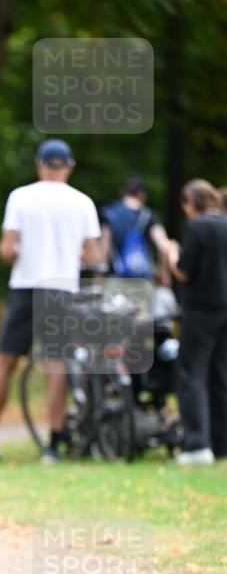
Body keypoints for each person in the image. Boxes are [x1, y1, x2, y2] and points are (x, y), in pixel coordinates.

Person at [0, 139, 103, 464]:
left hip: (26, 287)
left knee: (4, 362)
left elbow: (7, 248)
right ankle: (53, 445)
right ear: (70, 166)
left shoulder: (21, 197)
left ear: (40, 164)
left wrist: (15, 251)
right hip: (62, 288)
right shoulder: (83, 202)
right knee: (56, 364)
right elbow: (93, 254)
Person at [166, 179, 227, 465]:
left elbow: (183, 270)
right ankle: (221, 443)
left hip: (201, 310)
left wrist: (170, 253)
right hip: (225, 309)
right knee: (220, 374)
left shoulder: (198, 227)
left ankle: (197, 444)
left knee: (191, 373)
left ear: (190, 203)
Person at [100, 176, 172, 284]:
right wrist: (164, 274)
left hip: (115, 278)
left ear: (122, 192)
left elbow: (104, 249)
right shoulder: (149, 216)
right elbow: (163, 246)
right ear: (142, 195)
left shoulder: (110, 214)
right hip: (142, 280)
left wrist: (98, 279)